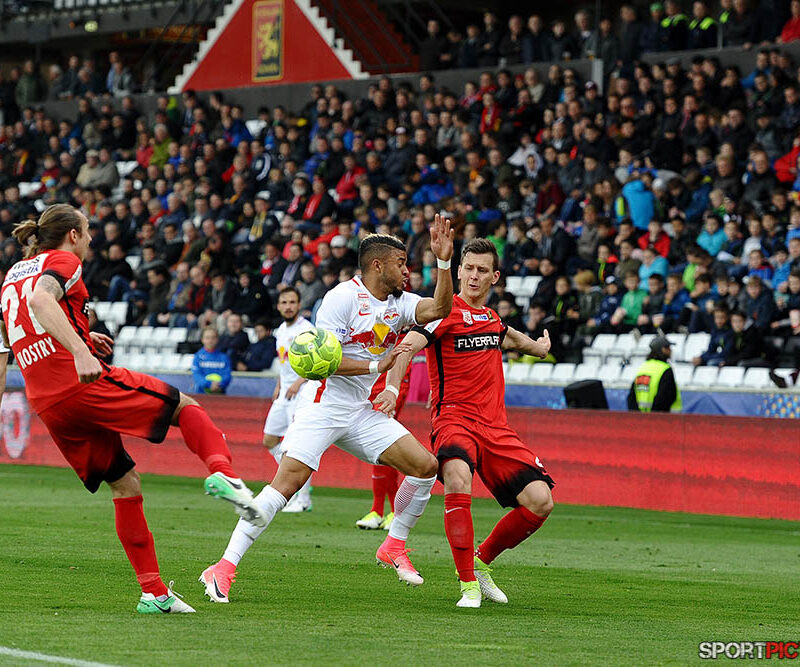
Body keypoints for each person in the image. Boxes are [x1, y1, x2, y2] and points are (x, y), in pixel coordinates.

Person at [0, 204, 266, 614]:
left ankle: (154, 593)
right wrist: (80, 354)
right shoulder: (62, 260)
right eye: (87, 231)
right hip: (79, 384)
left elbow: (10, 345)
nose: (90, 240)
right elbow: (42, 301)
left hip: (47, 402)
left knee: (125, 484)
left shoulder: (8, 281)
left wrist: (86, 341)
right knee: (184, 405)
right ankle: (225, 475)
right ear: (72, 234)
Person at [199, 216, 455, 604]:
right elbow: (321, 362)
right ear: (378, 265)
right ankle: (223, 567)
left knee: (425, 467)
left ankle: (393, 545)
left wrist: (444, 262)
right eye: (402, 263)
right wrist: (376, 367)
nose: (407, 271)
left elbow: (440, 306)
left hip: (362, 412)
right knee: (286, 485)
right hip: (323, 406)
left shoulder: (401, 304)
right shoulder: (342, 298)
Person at [378, 238, 553, 608]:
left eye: (482, 270)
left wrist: (539, 347)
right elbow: (405, 348)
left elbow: (508, 336)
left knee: (540, 502)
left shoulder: (491, 318)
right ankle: (467, 584)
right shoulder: (443, 313)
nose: (474, 276)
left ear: (495, 277)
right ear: (458, 272)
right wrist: (393, 389)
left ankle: (481, 561)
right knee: (458, 478)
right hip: (453, 419)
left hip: (496, 427)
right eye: (469, 268)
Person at [262, 286, 316, 513]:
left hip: (301, 393)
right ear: (278, 306)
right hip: (284, 393)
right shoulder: (281, 330)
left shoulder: (308, 330)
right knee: (270, 440)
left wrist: (298, 382)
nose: (288, 306)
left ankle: (302, 499)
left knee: (295, 447)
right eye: (284, 302)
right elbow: (284, 362)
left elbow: (317, 360)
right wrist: (279, 385)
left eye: (292, 302)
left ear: (299, 304)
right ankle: (294, 481)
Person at [355, 358, 413, 531]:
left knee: (383, 442)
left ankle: (393, 512)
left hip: (393, 380)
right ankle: (378, 511)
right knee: (377, 444)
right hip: (374, 379)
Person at [628, 335, 682, 412]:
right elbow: (666, 397)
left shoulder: (643, 368)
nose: (670, 350)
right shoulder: (665, 369)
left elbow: (632, 396)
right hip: (661, 420)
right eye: (668, 348)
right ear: (662, 349)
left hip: (641, 419)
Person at [192, 327, 232, 394]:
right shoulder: (198, 356)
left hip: (219, 394)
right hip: (201, 394)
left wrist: (219, 384)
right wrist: (209, 384)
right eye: (207, 338)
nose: (210, 340)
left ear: (217, 340)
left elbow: (227, 375)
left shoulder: (224, 357)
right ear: (202, 339)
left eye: (213, 338)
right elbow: (197, 375)